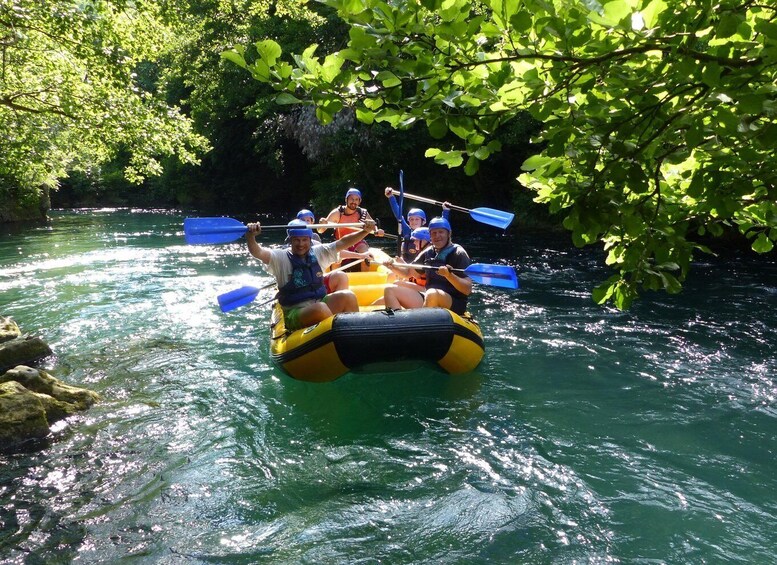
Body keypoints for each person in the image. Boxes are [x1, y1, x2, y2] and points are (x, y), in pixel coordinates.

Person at [246, 218, 377, 330]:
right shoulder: (280, 257)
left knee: (348, 296)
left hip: (320, 301)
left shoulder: (318, 252)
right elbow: (258, 252)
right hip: (295, 312)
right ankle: (339, 334)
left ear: (310, 240)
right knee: (320, 308)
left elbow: (343, 242)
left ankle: (355, 333)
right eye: (296, 240)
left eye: (304, 240)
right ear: (290, 240)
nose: (301, 244)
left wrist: (365, 231)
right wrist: (251, 236)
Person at [382, 217, 472, 315]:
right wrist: (392, 266)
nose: (437, 236)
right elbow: (408, 274)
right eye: (434, 233)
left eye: (441, 232)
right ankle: (398, 325)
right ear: (430, 236)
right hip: (429, 297)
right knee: (389, 289)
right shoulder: (428, 252)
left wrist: (449, 275)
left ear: (449, 234)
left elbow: (467, 289)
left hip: (454, 302)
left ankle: (421, 324)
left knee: (432, 293)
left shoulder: (459, 253)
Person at [320, 188, 384, 269]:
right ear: (346, 200)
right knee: (337, 257)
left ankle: (365, 279)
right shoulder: (337, 213)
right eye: (351, 199)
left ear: (359, 201)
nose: (354, 201)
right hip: (341, 242)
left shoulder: (362, 213)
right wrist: (322, 224)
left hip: (357, 242)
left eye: (356, 199)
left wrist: (377, 231)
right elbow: (321, 230)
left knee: (366, 255)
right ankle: (335, 276)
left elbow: (372, 225)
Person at [384, 186, 451, 263]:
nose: (414, 222)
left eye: (417, 219)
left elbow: (442, 225)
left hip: (420, 267)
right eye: (411, 219)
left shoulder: (428, 233)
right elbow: (398, 215)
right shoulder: (407, 230)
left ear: (423, 221)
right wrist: (391, 197)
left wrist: (446, 210)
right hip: (406, 265)